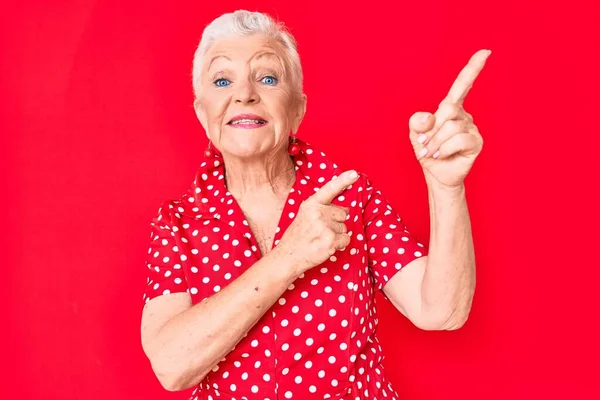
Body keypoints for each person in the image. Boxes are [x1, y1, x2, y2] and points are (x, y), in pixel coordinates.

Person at [140, 9, 490, 400]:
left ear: (297, 109)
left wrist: (446, 188)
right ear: (202, 115)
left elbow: (441, 310)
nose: (244, 93)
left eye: (267, 77)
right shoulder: (178, 222)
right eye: (222, 80)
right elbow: (172, 367)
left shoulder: (353, 197)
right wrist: (289, 256)